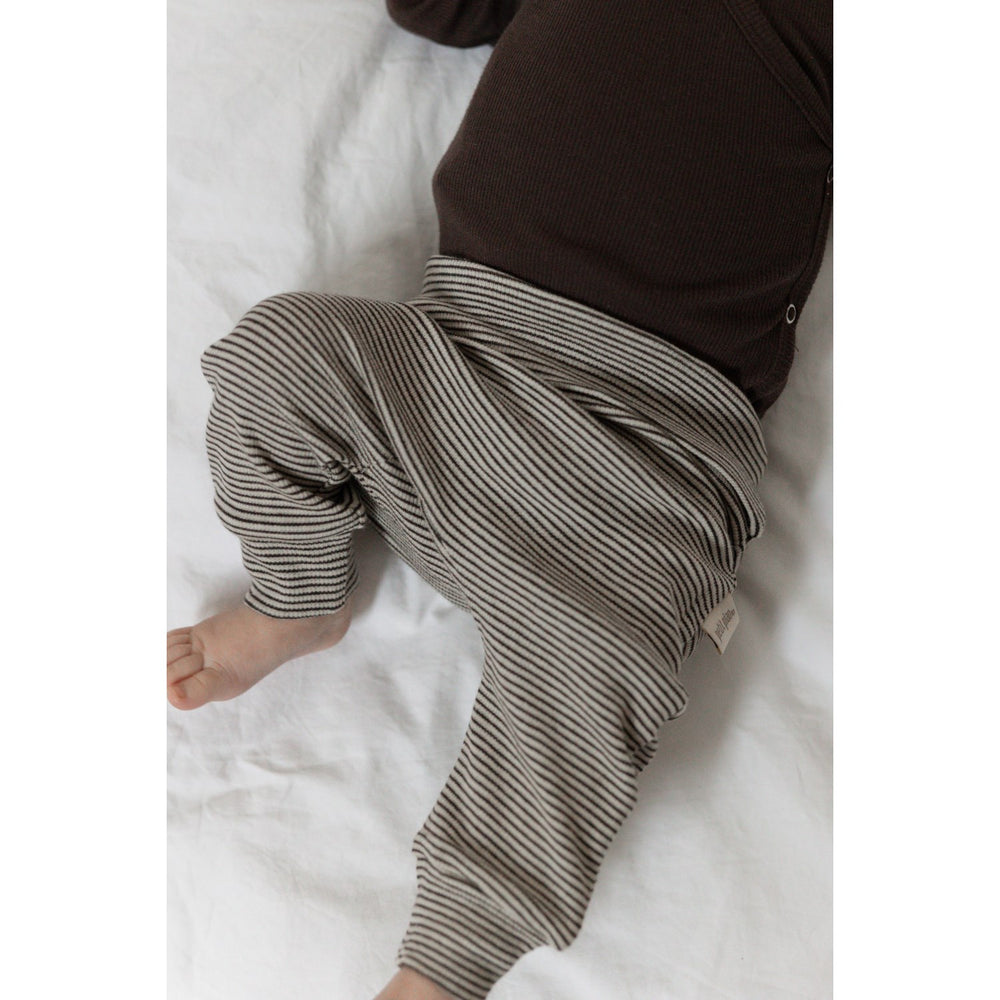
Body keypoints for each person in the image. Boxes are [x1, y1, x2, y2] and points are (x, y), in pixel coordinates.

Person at [166, 2, 832, 998]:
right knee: (278, 356)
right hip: (455, 368)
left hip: (646, 465)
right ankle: (297, 599)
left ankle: (441, 968)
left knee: (605, 664)